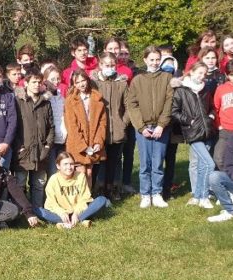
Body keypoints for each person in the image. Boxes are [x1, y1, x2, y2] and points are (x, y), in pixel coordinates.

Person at [127, 46, 174, 208]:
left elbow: (169, 102)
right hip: (143, 128)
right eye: (151, 59)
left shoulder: (167, 78)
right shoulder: (137, 80)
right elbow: (132, 105)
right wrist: (140, 127)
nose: (154, 63)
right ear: (145, 60)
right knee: (145, 162)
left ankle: (157, 193)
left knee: (158, 161)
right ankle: (145, 194)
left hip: (161, 127)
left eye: (157, 59)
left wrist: (162, 125)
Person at [170, 61, 217, 209]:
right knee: (210, 163)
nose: (202, 76)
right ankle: (204, 196)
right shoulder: (181, 91)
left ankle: (198, 196)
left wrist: (211, 117)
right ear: (191, 72)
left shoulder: (206, 90)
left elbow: (211, 108)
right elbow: (174, 112)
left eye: (204, 74)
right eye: (199, 73)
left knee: (204, 165)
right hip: (193, 133)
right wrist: (189, 120)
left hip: (207, 132)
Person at [12, 72, 55, 209]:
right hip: (23, 151)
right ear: (26, 84)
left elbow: (51, 127)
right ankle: (22, 212)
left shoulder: (46, 103)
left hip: (41, 151)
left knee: (39, 184)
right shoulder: (18, 102)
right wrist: (19, 146)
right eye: (33, 82)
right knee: (20, 183)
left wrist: (47, 146)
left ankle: (37, 210)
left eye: (39, 82)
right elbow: (14, 126)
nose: (37, 85)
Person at [35, 152, 111, 228]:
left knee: (101, 200)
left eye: (71, 164)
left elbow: (84, 198)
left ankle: (67, 222)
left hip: (79, 211)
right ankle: (80, 221)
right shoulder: (54, 179)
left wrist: (76, 213)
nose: (69, 167)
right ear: (58, 166)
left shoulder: (80, 176)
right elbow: (51, 202)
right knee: (37, 210)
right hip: (60, 213)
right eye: (65, 164)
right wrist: (61, 212)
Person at [91, 52, 129, 200]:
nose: (110, 68)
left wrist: (123, 122)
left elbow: (129, 105)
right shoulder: (94, 83)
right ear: (100, 65)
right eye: (107, 65)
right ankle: (97, 190)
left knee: (114, 161)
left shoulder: (122, 83)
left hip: (117, 130)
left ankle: (112, 190)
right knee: (99, 162)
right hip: (99, 130)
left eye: (112, 65)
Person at [63, 70, 107, 187]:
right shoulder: (70, 101)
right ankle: (79, 200)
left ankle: (88, 199)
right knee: (80, 172)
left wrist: (98, 142)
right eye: (78, 82)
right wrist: (83, 146)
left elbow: (102, 123)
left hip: (92, 141)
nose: (82, 84)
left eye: (83, 81)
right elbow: (72, 126)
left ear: (88, 80)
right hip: (78, 143)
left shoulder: (96, 98)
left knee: (89, 172)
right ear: (74, 84)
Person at [42, 65, 68, 176]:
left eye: (58, 78)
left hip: (62, 139)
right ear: (45, 80)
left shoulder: (61, 97)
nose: (56, 81)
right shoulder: (44, 98)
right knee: (52, 171)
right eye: (52, 79)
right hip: (50, 140)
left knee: (62, 170)